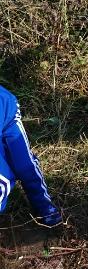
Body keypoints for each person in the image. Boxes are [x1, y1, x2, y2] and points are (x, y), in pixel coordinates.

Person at [0, 85, 62, 226]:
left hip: (6, 111)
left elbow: (7, 177)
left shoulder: (4, 102)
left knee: (21, 165)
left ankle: (43, 205)